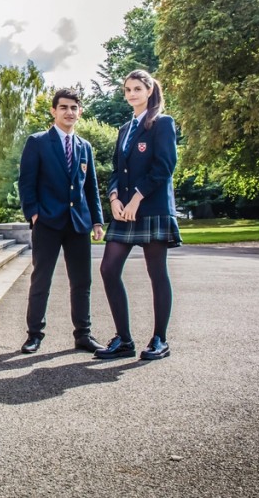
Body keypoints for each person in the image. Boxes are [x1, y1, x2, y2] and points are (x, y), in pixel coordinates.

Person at [93, 69, 180, 361]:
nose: (132, 94)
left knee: (157, 273)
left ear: (150, 91)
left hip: (151, 208)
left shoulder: (163, 124)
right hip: (124, 210)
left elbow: (164, 166)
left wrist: (137, 199)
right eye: (128, 90)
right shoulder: (124, 129)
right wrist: (115, 198)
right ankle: (124, 339)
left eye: (137, 89)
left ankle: (159, 339)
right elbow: (117, 170)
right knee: (108, 269)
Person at [18, 88, 105, 355]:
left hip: (78, 222)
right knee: (41, 279)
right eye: (64, 107)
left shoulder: (85, 147)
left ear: (79, 112)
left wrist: (97, 220)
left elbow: (90, 187)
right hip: (47, 222)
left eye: (74, 108)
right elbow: (26, 182)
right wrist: (33, 214)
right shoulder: (38, 142)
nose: (69, 112)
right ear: (54, 111)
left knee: (82, 282)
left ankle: (83, 334)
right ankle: (34, 334)